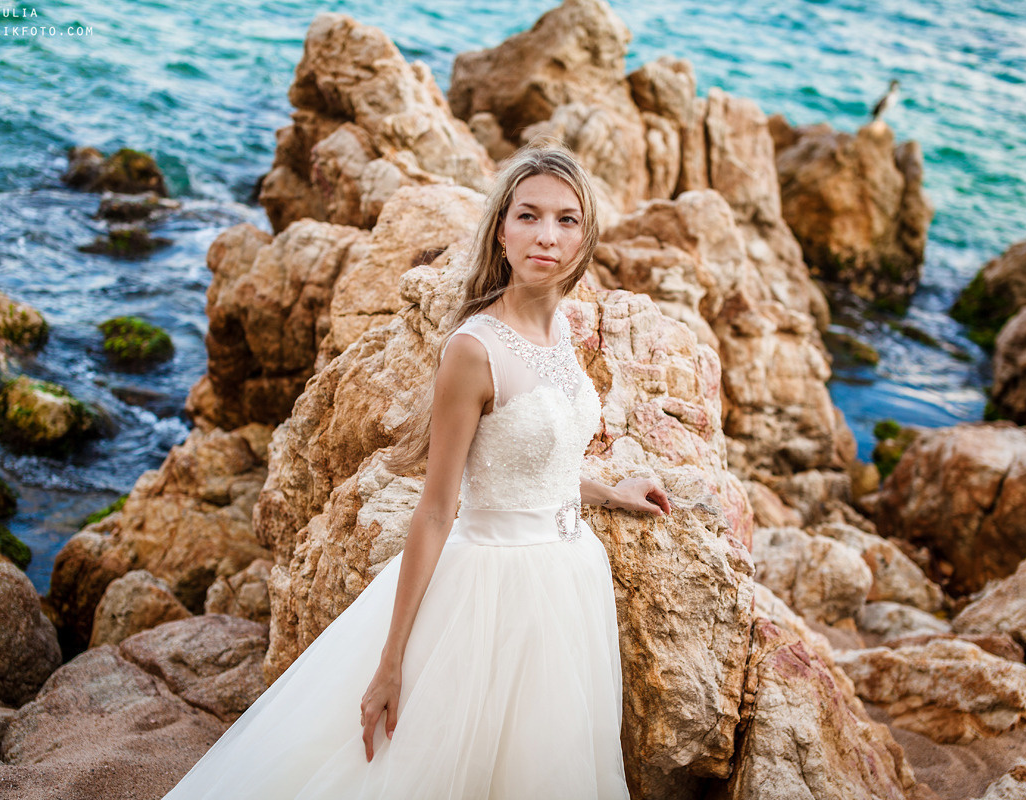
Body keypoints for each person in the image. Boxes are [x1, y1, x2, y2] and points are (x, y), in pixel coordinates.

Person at [161, 142, 670, 800]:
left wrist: (611, 492)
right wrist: (391, 660)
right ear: (502, 230)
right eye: (529, 215)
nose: (547, 235)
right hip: (491, 591)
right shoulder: (473, 348)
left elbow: (531, 465)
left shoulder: (561, 332)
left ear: (586, 234)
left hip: (570, 582)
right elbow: (437, 505)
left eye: (567, 219)